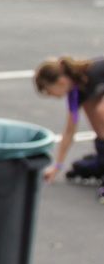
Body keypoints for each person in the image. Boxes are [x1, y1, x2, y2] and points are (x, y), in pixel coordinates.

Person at [34, 55, 104, 187]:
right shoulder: (76, 93)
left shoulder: (93, 73)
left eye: (49, 91)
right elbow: (69, 131)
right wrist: (57, 165)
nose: (50, 95)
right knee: (91, 107)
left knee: (101, 110)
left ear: (60, 81)